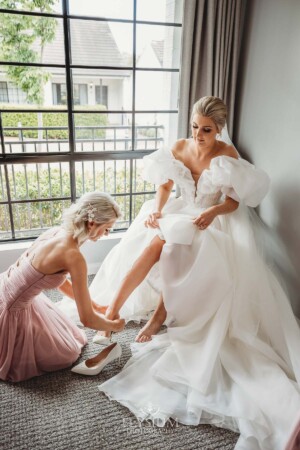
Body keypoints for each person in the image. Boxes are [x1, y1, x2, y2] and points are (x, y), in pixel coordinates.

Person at [85, 96, 299, 450]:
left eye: (207, 130)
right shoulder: (179, 146)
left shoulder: (227, 156)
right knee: (152, 244)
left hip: (208, 221)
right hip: (177, 211)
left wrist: (211, 214)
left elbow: (233, 202)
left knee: (174, 249)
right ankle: (110, 314)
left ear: (220, 129)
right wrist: (156, 211)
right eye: (195, 127)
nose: (198, 136)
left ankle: (159, 316)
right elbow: (166, 186)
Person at [0, 191, 125, 382]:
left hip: (7, 287)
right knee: (66, 353)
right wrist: (113, 325)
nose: (107, 234)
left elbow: (59, 281)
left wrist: (97, 306)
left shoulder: (58, 232)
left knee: (71, 334)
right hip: (12, 308)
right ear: (92, 223)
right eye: (107, 228)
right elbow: (88, 320)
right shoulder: (73, 255)